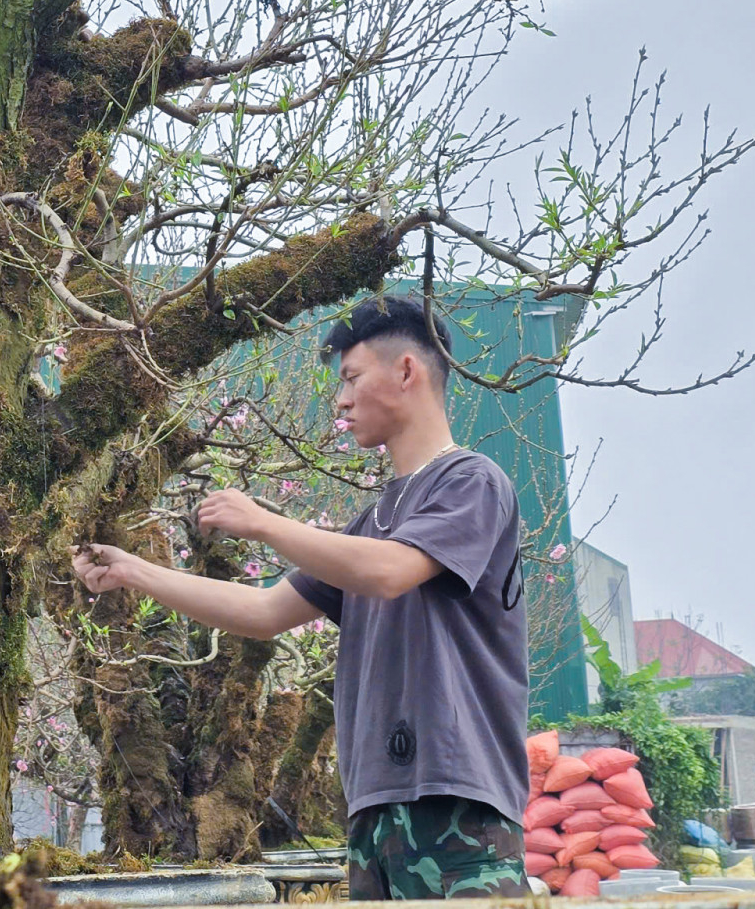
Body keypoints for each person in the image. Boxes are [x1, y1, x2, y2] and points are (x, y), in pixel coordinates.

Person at [73, 294, 530, 899]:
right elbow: (264, 614)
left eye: (350, 378)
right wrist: (133, 571)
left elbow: (393, 572)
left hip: (456, 805)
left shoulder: (471, 481)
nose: (340, 400)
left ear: (406, 371)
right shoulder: (370, 524)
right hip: (372, 809)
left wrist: (264, 522)